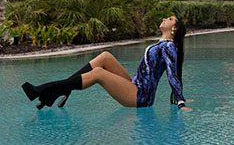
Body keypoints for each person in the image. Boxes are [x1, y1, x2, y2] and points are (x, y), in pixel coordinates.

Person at [21, 14, 190, 112]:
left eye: (169, 19)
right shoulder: (162, 44)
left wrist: (180, 102)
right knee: (105, 57)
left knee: (98, 74)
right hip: (135, 84)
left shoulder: (169, 47)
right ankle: (63, 90)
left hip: (141, 96)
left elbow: (172, 74)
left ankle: (43, 90)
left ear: (174, 29)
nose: (164, 19)